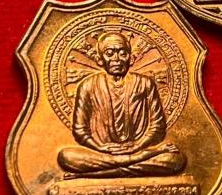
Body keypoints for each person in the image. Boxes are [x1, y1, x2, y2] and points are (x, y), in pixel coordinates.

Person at [58, 32, 185, 177]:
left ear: (130, 58)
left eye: (122, 53)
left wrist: (137, 146)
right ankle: (132, 164)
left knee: (175, 159)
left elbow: (158, 127)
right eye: (109, 53)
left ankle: (97, 173)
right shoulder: (87, 86)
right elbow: (80, 131)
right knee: (66, 156)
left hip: (139, 149)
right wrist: (101, 147)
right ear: (100, 59)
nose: (116, 59)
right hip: (103, 153)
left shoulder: (145, 83)